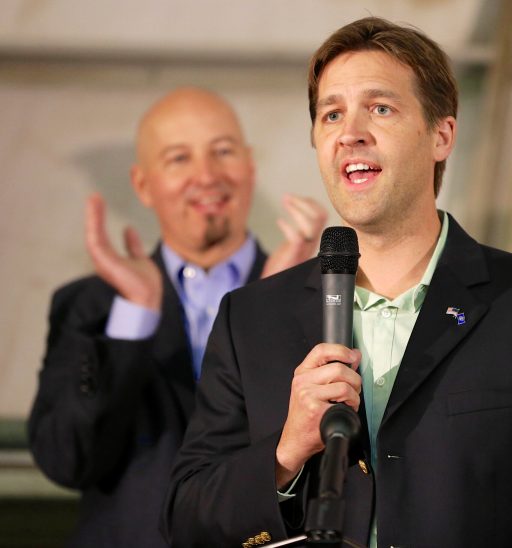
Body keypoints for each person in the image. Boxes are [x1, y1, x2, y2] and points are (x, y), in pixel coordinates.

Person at [163, 18, 512, 547]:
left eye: (381, 108)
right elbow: (188, 519)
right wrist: (285, 451)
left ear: (442, 135)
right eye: (332, 114)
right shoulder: (250, 319)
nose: (351, 133)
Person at [27, 87, 328, 548]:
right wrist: (134, 318)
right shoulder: (90, 306)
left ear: (249, 166)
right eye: (178, 159)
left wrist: (273, 306)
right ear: (144, 185)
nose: (206, 176)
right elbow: (67, 460)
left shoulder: (315, 295)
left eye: (222, 152)